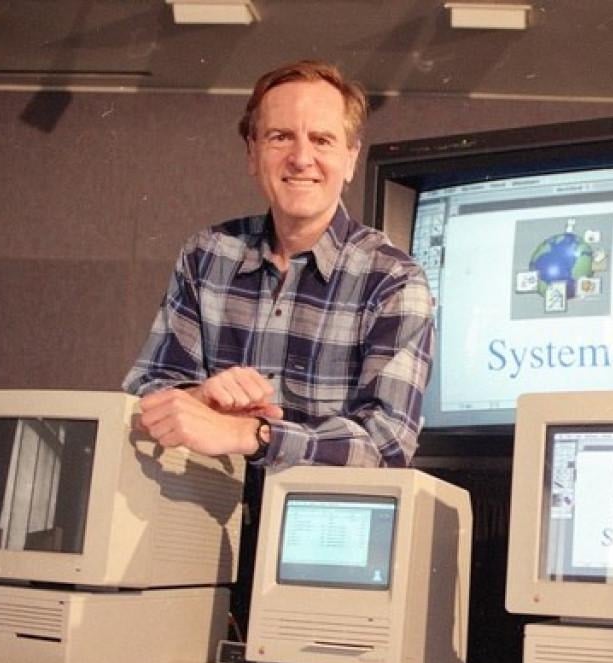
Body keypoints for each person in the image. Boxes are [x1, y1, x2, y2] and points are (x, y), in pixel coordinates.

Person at [123, 59, 435, 632]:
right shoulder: (206, 255)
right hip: (192, 559)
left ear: (351, 157)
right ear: (252, 153)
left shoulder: (395, 279)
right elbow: (145, 394)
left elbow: (388, 443)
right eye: (280, 137)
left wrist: (252, 435)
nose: (301, 157)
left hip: (328, 573)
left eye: (322, 139)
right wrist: (201, 398)